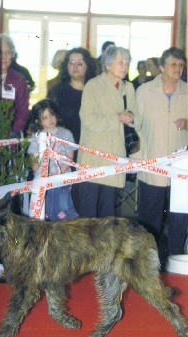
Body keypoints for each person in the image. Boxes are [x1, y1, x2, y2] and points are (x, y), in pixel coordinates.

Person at [134, 47, 188, 257]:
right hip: (152, 164)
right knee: (149, 217)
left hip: (180, 167)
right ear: (162, 67)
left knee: (179, 215)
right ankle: (147, 258)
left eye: (181, 64)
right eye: (174, 64)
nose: (178, 68)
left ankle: (176, 256)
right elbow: (136, 124)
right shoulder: (145, 91)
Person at [77, 45, 135, 218]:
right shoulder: (93, 86)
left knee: (108, 214)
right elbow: (87, 119)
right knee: (88, 214)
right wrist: (116, 119)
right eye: (121, 62)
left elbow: (137, 117)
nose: (125, 66)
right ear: (108, 65)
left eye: (127, 62)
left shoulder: (129, 88)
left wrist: (131, 116)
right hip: (93, 158)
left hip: (115, 156)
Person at [47, 47, 96, 212]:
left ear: (87, 66)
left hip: (90, 151)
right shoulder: (57, 91)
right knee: (65, 205)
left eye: (80, 63)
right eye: (71, 63)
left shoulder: (95, 90)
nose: (75, 66)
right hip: (65, 153)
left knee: (87, 202)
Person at [27, 99, 78, 221]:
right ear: (38, 121)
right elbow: (33, 161)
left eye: (52, 115)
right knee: (45, 210)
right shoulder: (36, 137)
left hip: (62, 179)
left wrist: (58, 173)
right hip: (43, 180)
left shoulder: (65, 134)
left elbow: (70, 157)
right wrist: (44, 174)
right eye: (45, 117)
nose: (50, 119)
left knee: (63, 207)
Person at [0, 33, 29, 136]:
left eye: (8, 52)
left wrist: (12, 133)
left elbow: (22, 111)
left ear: (12, 55)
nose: (4, 57)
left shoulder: (18, 79)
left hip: (9, 134)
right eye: (0, 52)